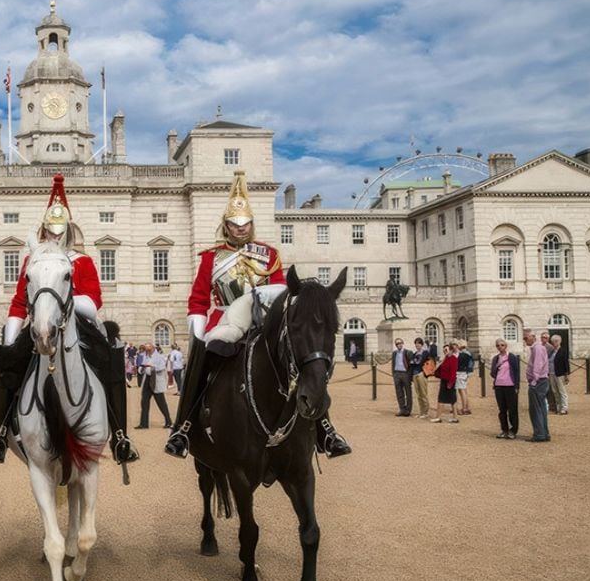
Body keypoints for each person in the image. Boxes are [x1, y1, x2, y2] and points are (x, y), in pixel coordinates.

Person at [166, 170, 351, 459]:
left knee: (304, 364)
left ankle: (324, 429)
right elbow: (198, 298)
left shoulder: (269, 254)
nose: (240, 229)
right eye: (234, 224)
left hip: (263, 321)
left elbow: (279, 289)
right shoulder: (210, 258)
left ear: (252, 224)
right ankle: (184, 427)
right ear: (226, 225)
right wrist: (198, 333)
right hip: (224, 322)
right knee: (199, 365)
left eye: (245, 224)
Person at [0, 174, 136, 466]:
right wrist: (11, 336)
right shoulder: (33, 261)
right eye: (50, 230)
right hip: (39, 322)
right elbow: (19, 301)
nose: (55, 235)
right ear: (43, 230)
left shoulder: (82, 260)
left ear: (68, 231)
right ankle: (0, 433)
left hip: (78, 325)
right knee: (9, 362)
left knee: (109, 359)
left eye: (60, 230)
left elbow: (94, 300)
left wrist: (65, 304)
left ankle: (119, 435)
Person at [522, 329, 551, 442]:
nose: (525, 340)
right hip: (541, 381)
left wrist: (534, 380)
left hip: (538, 382)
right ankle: (544, 433)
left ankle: (539, 434)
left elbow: (538, 365)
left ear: (532, 337)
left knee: (536, 409)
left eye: (526, 338)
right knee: (541, 408)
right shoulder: (538, 347)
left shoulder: (537, 348)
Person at [136, 342, 173, 429]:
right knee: (144, 403)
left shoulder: (159, 357)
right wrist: (142, 368)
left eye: (148, 350)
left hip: (156, 381)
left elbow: (161, 368)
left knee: (161, 403)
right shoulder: (145, 356)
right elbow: (140, 370)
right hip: (147, 380)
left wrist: (151, 366)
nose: (147, 351)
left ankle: (168, 421)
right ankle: (144, 424)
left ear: (152, 349)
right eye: (146, 350)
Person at [490, 338, 521, 438]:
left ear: (506, 346)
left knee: (512, 409)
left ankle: (513, 430)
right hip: (499, 385)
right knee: (502, 410)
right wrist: (497, 366)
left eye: (502, 345)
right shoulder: (496, 358)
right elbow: (492, 373)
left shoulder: (511, 357)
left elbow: (516, 372)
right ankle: (504, 430)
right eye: (498, 345)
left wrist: (517, 386)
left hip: (510, 385)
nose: (500, 347)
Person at [431, 344, 459, 423]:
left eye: (446, 350)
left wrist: (450, 383)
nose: (445, 352)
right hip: (443, 380)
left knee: (453, 400)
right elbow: (441, 368)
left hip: (450, 381)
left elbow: (453, 372)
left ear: (451, 350)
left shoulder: (453, 359)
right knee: (441, 399)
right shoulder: (446, 358)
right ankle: (438, 417)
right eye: (444, 350)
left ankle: (455, 417)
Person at [390, 338, 413, 416]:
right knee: (399, 393)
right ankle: (402, 409)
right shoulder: (394, 353)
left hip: (405, 374)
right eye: (397, 344)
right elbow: (393, 364)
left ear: (402, 343)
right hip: (397, 373)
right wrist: (393, 374)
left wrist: (410, 375)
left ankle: (408, 410)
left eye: (400, 343)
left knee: (408, 393)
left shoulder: (408, 352)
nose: (399, 345)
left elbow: (411, 365)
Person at [410, 337, 431, 418]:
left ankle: (425, 412)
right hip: (415, 374)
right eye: (416, 344)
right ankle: (421, 411)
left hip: (422, 373)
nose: (417, 345)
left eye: (418, 343)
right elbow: (412, 363)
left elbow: (420, 362)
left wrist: (415, 362)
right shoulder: (415, 353)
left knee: (423, 393)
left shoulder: (425, 352)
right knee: (418, 394)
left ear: (421, 344)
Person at [549, 335, 569, 415]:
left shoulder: (563, 351)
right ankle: (558, 407)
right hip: (551, 373)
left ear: (560, 342)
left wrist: (567, 375)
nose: (555, 343)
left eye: (556, 341)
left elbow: (566, 363)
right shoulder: (552, 351)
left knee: (562, 391)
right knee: (555, 391)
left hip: (560, 374)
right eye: (553, 341)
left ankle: (564, 407)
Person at [455, 339, 474, 415]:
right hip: (465, 373)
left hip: (460, 373)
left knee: (461, 391)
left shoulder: (461, 354)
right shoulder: (468, 353)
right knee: (464, 391)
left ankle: (464, 408)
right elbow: (471, 364)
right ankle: (467, 407)